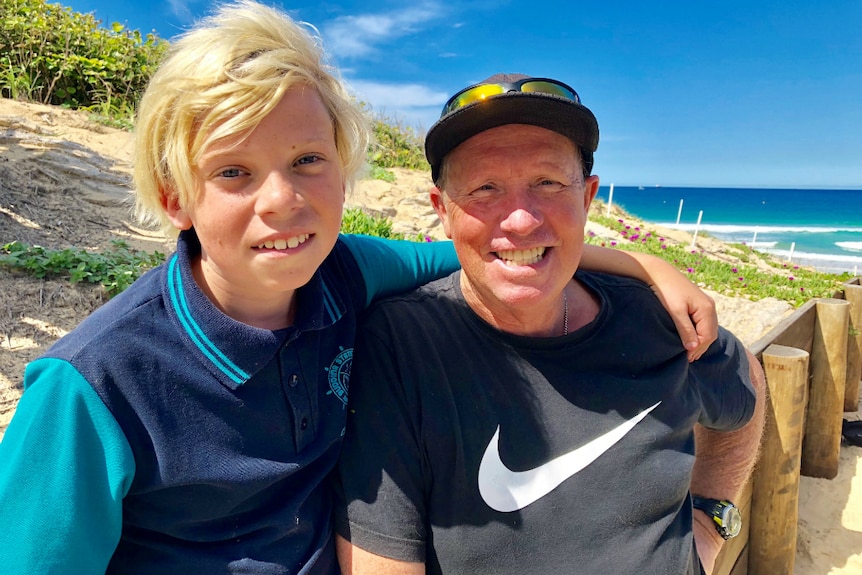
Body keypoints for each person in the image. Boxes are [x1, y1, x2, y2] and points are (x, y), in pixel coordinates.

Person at [0, 8, 724, 575]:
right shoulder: (93, 386)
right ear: (174, 198)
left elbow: (484, 248)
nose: (281, 200)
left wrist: (638, 264)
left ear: (344, 172)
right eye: (234, 173)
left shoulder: (344, 272)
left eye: (307, 159)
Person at [333, 73, 766, 575]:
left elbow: (746, 383)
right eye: (485, 188)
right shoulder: (401, 349)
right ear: (443, 212)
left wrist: (712, 523)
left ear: (586, 199)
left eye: (547, 182)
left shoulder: (660, 321)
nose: (521, 219)